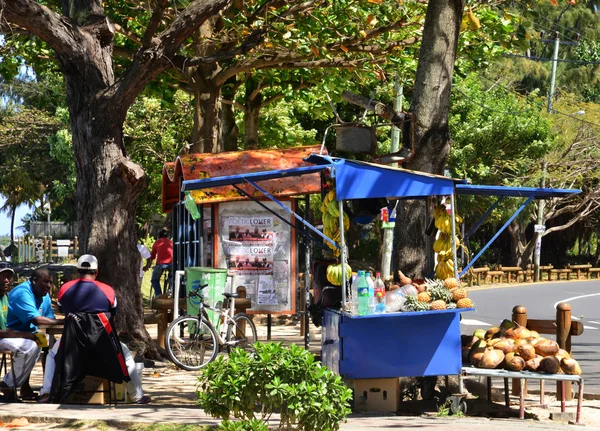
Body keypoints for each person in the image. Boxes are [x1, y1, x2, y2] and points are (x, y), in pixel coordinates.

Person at [38, 254, 150, 404]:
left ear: (77, 271)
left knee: (52, 354)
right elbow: (113, 316)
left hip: (72, 348)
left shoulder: (65, 289)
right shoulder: (108, 291)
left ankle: (46, 393)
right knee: (126, 356)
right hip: (104, 348)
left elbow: (62, 310)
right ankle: (137, 396)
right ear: (96, 272)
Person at [7, 267, 62, 400]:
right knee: (35, 344)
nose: (48, 286)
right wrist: (67, 320)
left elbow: (49, 320)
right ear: (34, 281)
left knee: (51, 345)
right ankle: (9, 384)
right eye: (45, 282)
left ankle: (47, 389)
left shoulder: (45, 296)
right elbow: (37, 320)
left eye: (50, 282)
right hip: (11, 333)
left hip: (29, 333)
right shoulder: (23, 293)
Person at [0, 263, 41, 401]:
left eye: (9, 276)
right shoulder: (21, 294)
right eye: (2, 276)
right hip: (3, 337)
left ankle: (38, 388)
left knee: (43, 341)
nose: (6, 280)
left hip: (7, 336)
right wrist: (26, 335)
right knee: (30, 346)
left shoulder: (5, 297)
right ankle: (8, 385)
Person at [143, 229, 173, 297]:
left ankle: (158, 294)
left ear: (159, 236)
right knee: (172, 277)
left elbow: (152, 256)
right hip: (171, 264)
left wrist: (148, 265)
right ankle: (170, 290)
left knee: (154, 280)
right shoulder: (171, 242)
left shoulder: (157, 242)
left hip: (161, 264)